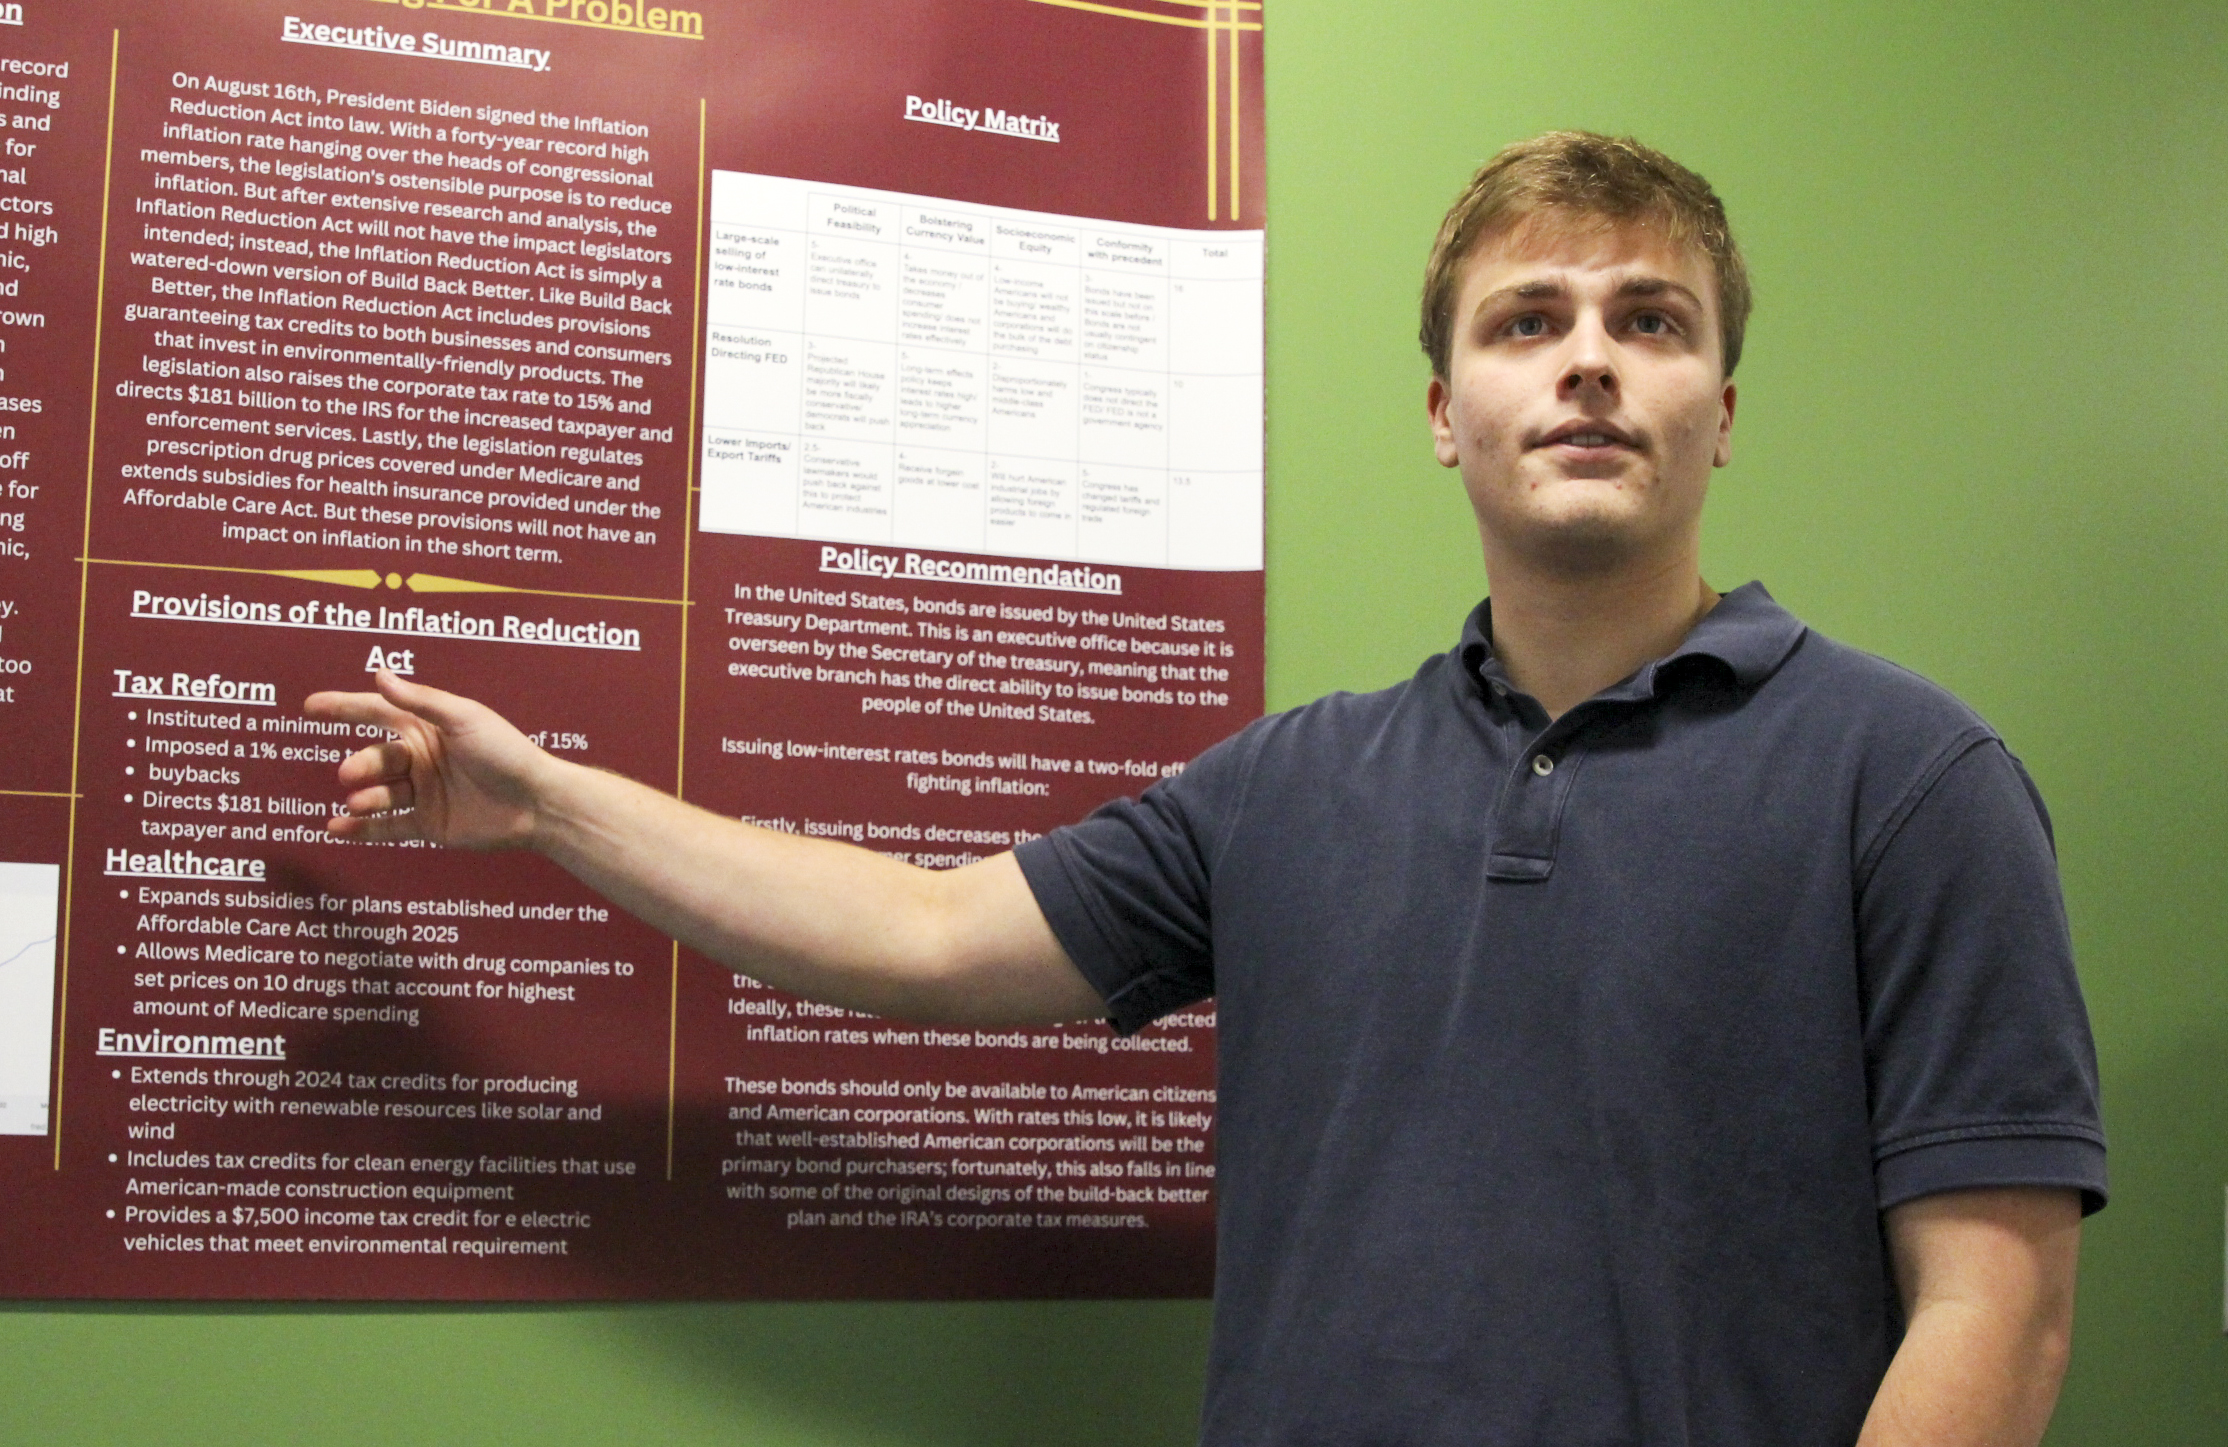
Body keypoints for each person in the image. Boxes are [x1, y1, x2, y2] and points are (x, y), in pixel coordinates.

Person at [309, 132, 2104, 1446]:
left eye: (1650, 318)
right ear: (1442, 412)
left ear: (1720, 408)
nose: (1587, 359)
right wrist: (547, 805)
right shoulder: (1293, 787)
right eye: (1526, 319)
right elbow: (926, 933)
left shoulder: (1908, 779)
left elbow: (1998, 1311)